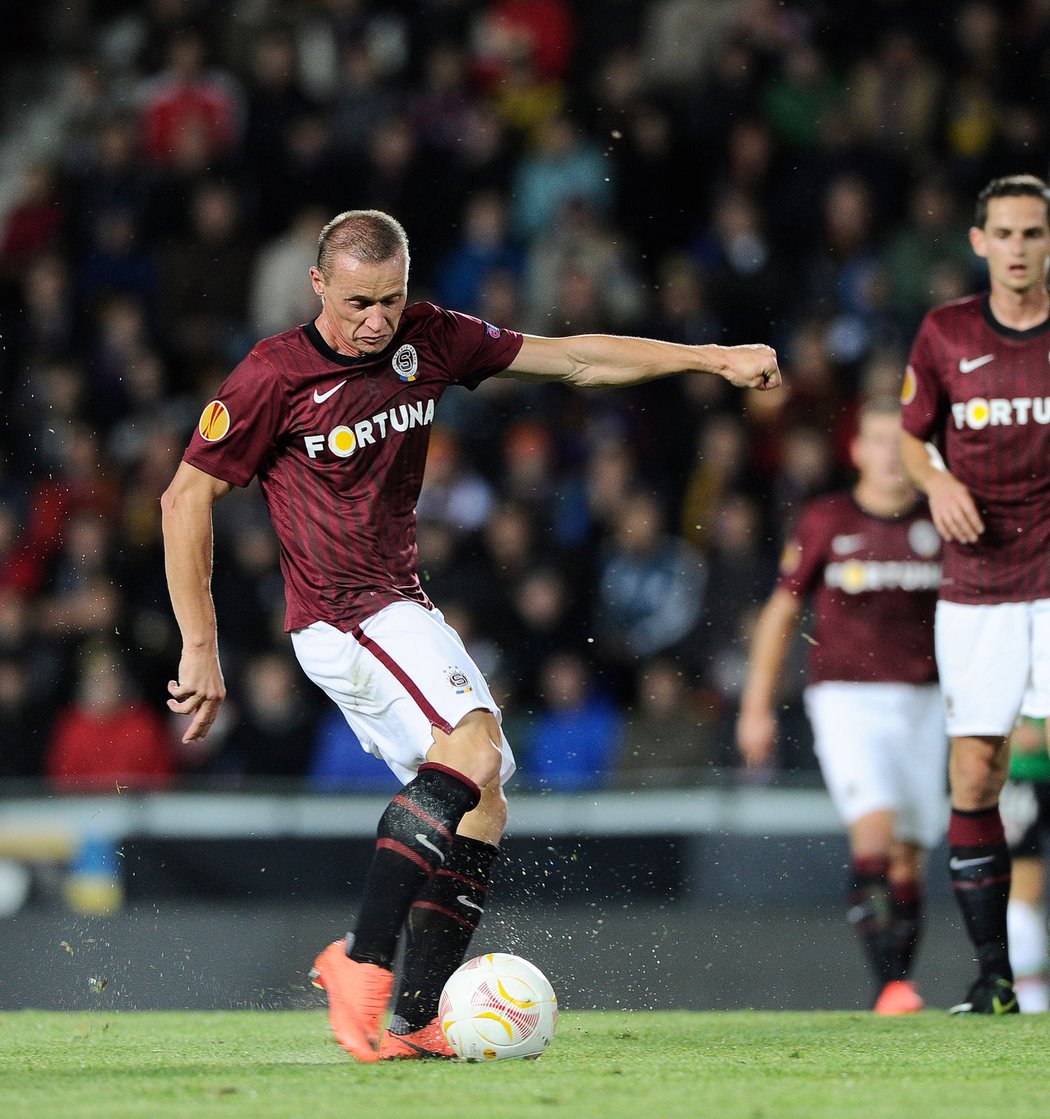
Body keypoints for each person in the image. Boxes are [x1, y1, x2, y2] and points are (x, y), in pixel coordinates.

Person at [160, 208, 781, 1062]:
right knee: (477, 749)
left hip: (394, 605)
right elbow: (183, 497)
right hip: (347, 614)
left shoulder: (432, 338)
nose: (376, 320)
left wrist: (706, 358)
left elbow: (574, 358)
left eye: (391, 298)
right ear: (317, 287)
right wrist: (201, 643)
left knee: (482, 801)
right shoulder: (273, 375)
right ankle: (361, 958)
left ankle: (415, 1017)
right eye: (356, 303)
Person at [898, 173, 1050, 1015]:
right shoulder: (947, 332)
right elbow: (914, 439)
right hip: (980, 583)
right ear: (979, 241)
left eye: (1034, 233)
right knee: (977, 765)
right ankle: (995, 979)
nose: (1020, 248)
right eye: (1007, 233)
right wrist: (937, 484)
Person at [737, 398, 944, 1014]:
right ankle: (887, 986)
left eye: (900, 441)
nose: (889, 454)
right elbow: (780, 615)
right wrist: (757, 706)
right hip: (846, 700)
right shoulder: (827, 519)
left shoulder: (941, 519)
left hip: (928, 701)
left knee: (910, 856)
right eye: (879, 440)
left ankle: (897, 983)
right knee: (875, 830)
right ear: (856, 451)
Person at [1002, 716, 1050, 1012]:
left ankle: (1030, 996)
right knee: (1024, 887)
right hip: (1025, 772)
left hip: (1025, 770)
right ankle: (1030, 996)